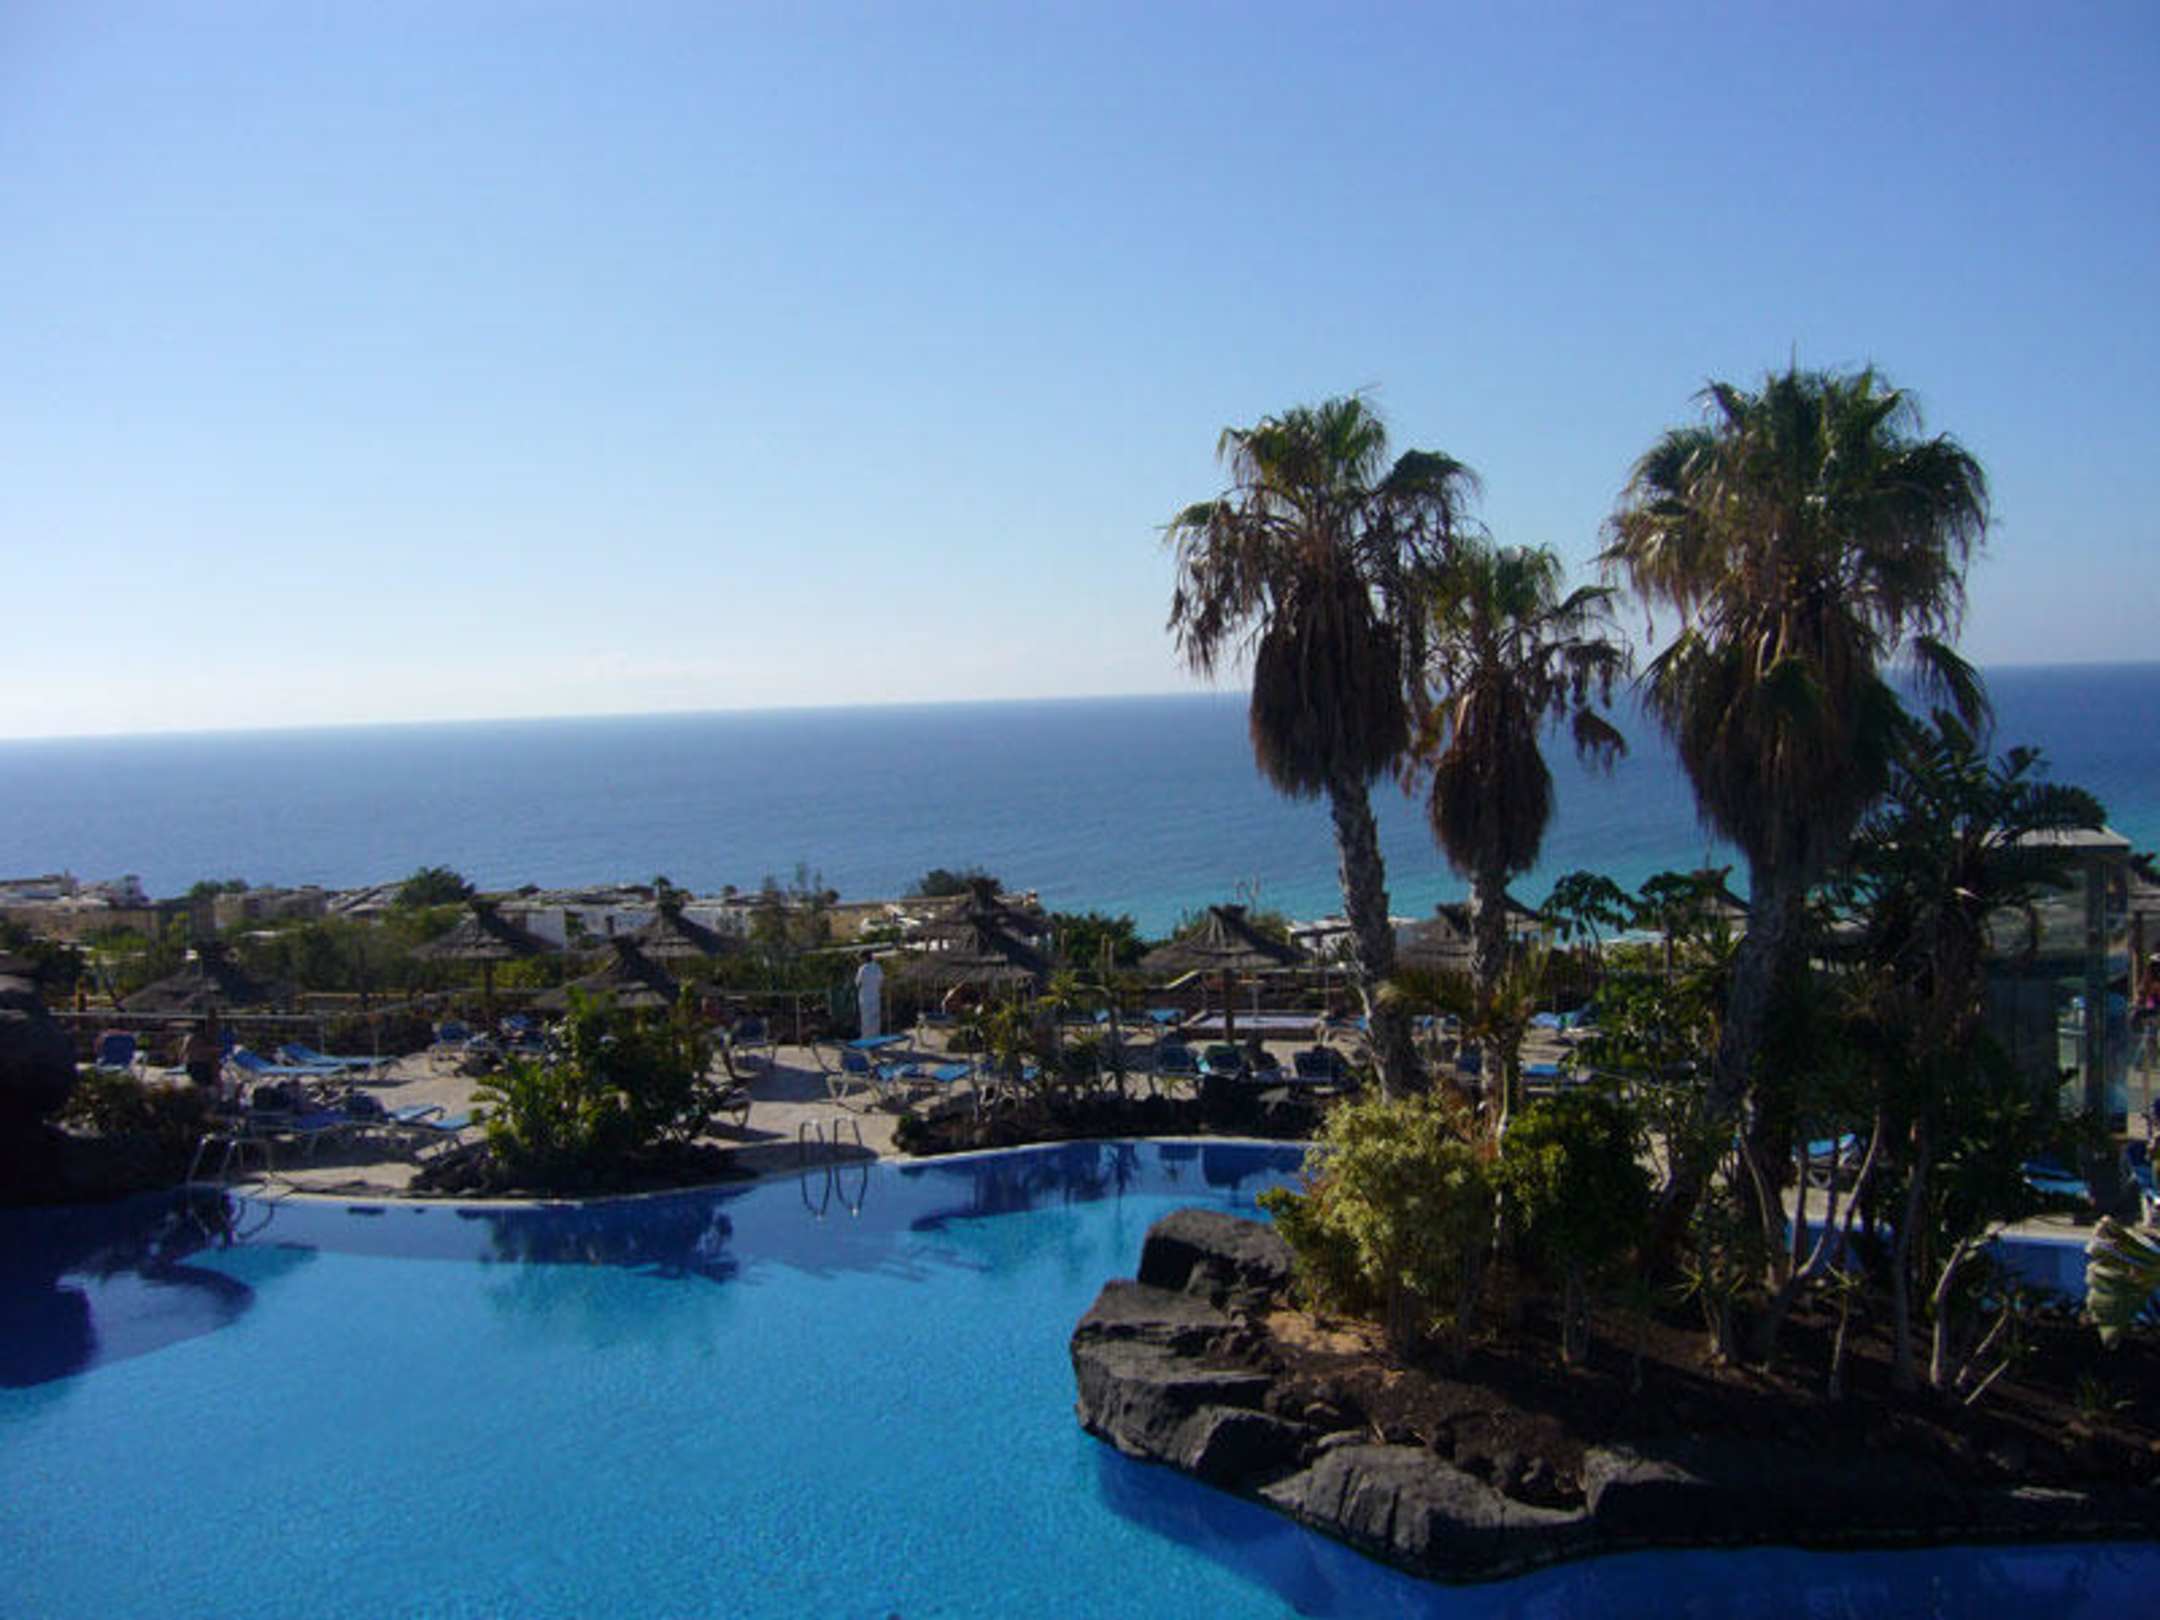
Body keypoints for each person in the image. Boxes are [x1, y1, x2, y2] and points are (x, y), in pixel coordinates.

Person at [180, 1013, 221, 1090]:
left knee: (202, 1084)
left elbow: (186, 1051)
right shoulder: (193, 1038)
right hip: (198, 1064)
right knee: (200, 1084)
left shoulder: (200, 1038)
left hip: (200, 1064)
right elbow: (195, 1050)